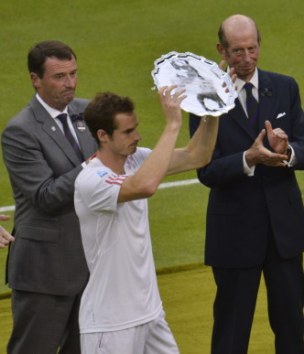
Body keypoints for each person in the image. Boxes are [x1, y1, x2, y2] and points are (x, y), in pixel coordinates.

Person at [189, 14, 304, 354]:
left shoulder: (285, 86)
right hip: (234, 235)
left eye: (252, 49)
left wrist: (286, 150)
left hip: (284, 235)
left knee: (292, 327)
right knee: (231, 333)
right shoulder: (205, 97)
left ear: (260, 44)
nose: (246, 59)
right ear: (221, 49)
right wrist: (248, 158)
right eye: (237, 51)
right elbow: (205, 170)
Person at [74, 88, 218, 353]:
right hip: (110, 324)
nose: (137, 137)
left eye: (135, 128)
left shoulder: (135, 160)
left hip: (150, 313)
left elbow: (198, 155)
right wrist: (173, 123)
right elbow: (145, 185)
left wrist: (213, 108)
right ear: (103, 136)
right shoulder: (90, 181)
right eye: (127, 132)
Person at [1, 40, 98, 353]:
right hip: (44, 271)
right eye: (59, 76)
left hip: (91, 264)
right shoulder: (20, 131)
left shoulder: (89, 112)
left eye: (73, 74)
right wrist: (92, 164)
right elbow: (45, 196)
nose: (69, 83)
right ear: (35, 79)